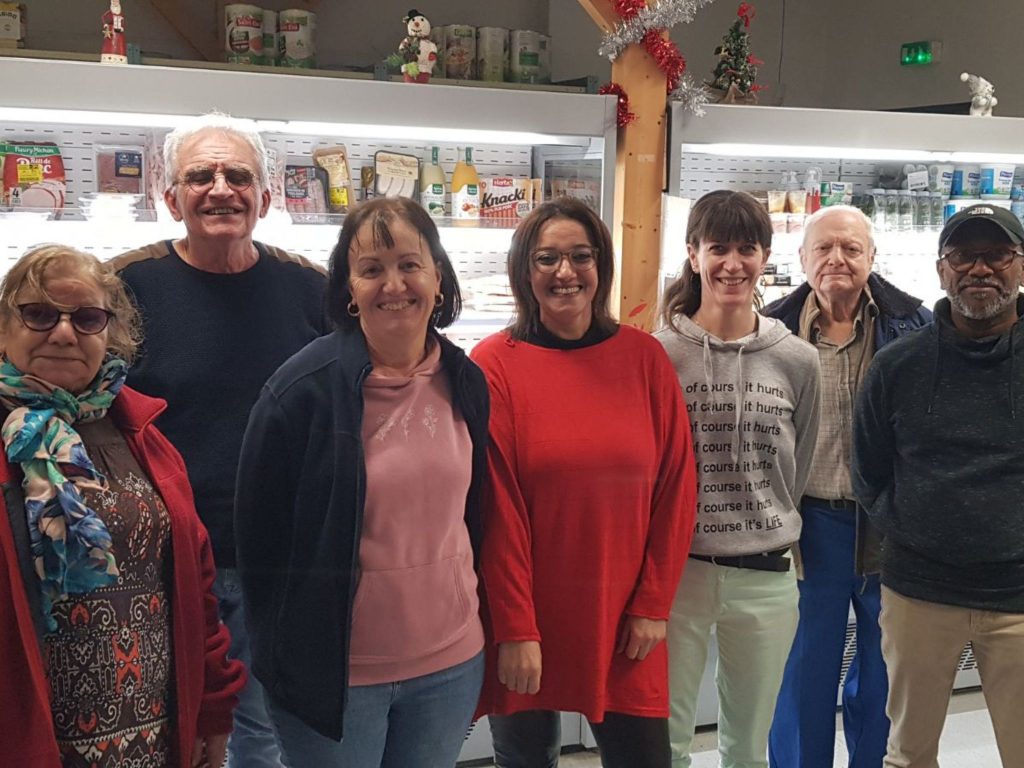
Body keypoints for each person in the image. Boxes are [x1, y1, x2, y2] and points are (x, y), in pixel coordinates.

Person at [235, 197, 489, 767]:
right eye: (371, 269)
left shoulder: (465, 380)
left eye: (409, 264)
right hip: (337, 678)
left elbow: (473, 516)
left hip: (450, 664)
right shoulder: (300, 391)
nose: (393, 284)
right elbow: (259, 544)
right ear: (348, 288)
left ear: (438, 278)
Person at [110, 114, 328, 768]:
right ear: (170, 198)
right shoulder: (124, 288)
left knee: (260, 736)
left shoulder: (311, 290)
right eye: (199, 176)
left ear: (265, 197)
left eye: (238, 176)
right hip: (162, 560)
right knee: (165, 727)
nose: (220, 189)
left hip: (277, 561)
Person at [471, 197, 696, 768]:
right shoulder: (494, 365)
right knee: (525, 761)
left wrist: (653, 604)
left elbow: (675, 489)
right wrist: (516, 628)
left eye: (580, 256)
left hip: (627, 621)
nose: (565, 273)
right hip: (530, 619)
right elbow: (497, 510)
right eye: (547, 258)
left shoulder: (644, 359)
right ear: (525, 271)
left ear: (601, 267)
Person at [0, 244, 245, 767]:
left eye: (87, 318)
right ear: (4, 327)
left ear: (111, 335)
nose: (63, 333)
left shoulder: (142, 435)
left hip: (153, 736)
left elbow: (195, 589)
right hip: (29, 742)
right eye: (39, 314)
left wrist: (212, 712)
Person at [852, 203, 1024, 768]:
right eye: (963, 256)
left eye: (997, 255)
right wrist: (918, 530)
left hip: (1020, 600)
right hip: (918, 596)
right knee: (908, 753)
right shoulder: (896, 366)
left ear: (1020, 265)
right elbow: (869, 472)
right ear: (941, 269)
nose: (980, 269)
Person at [654, 189, 821, 768]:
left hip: (767, 577)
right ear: (693, 253)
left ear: (765, 256)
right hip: (677, 577)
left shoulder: (798, 359)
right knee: (666, 743)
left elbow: (795, 470)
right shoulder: (658, 354)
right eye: (718, 247)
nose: (732, 263)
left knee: (749, 747)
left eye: (746, 249)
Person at [763, 205, 931, 768]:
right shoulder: (772, 330)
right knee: (806, 670)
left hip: (888, 521)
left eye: (851, 249)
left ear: (871, 258)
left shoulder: (915, 325)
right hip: (810, 522)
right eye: (824, 248)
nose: (838, 259)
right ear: (803, 259)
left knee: (884, 672)